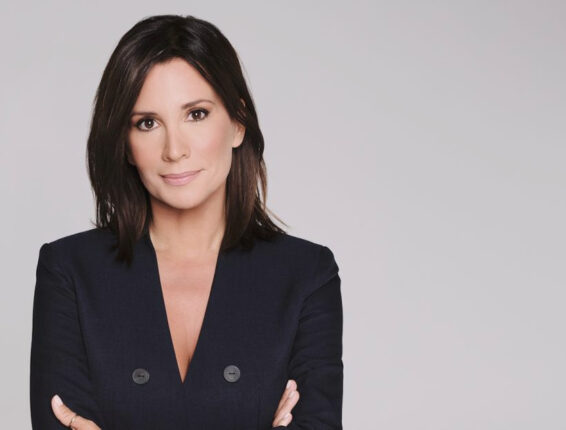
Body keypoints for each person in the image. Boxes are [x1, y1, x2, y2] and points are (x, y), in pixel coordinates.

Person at [29, 14, 343, 430]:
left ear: (237, 122)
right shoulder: (70, 271)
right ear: (125, 144)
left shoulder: (305, 275)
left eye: (196, 114)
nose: (174, 150)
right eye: (147, 123)